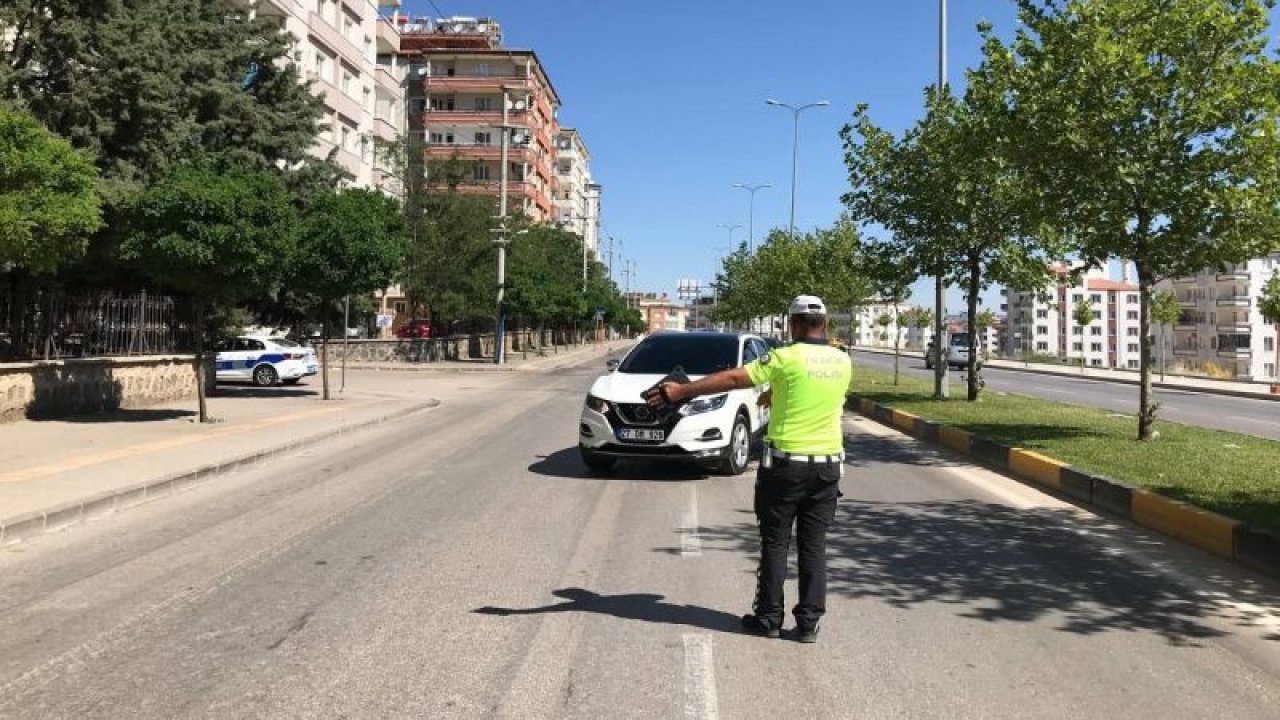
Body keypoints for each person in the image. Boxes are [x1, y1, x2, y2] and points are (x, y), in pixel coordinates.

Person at [645, 294, 852, 643]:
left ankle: (768, 617)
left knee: (775, 542)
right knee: (814, 545)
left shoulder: (785, 358)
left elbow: (731, 379)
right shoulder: (843, 361)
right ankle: (808, 624)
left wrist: (683, 391)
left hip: (786, 468)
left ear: (793, 323)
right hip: (828, 469)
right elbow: (815, 392)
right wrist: (778, 393)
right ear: (825, 324)